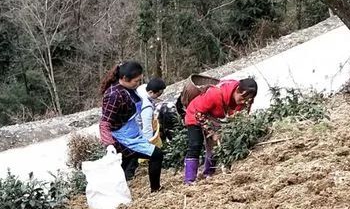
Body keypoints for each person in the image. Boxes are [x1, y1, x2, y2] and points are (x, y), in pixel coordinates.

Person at [99, 62, 167, 191]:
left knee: (124, 165)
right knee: (156, 154)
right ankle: (155, 189)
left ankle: (115, 191)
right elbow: (104, 123)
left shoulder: (128, 88)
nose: (138, 83)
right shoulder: (114, 95)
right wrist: (109, 144)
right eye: (136, 81)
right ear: (124, 78)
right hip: (122, 137)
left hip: (132, 132)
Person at [183, 77, 258, 183]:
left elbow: (241, 116)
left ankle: (209, 173)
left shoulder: (246, 99)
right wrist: (211, 132)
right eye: (242, 98)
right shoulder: (215, 93)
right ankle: (189, 180)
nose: (244, 102)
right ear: (237, 91)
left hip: (213, 117)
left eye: (247, 100)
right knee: (195, 144)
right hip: (195, 114)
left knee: (215, 146)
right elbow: (199, 113)